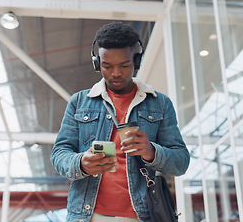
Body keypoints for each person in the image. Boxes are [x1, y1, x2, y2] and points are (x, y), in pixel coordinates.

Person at [50, 22, 190, 222]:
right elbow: (59, 154)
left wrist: (151, 151)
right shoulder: (79, 102)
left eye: (124, 65)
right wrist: (81, 163)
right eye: (107, 66)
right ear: (97, 63)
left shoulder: (160, 104)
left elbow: (181, 162)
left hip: (143, 216)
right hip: (88, 215)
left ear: (136, 61)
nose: (116, 73)